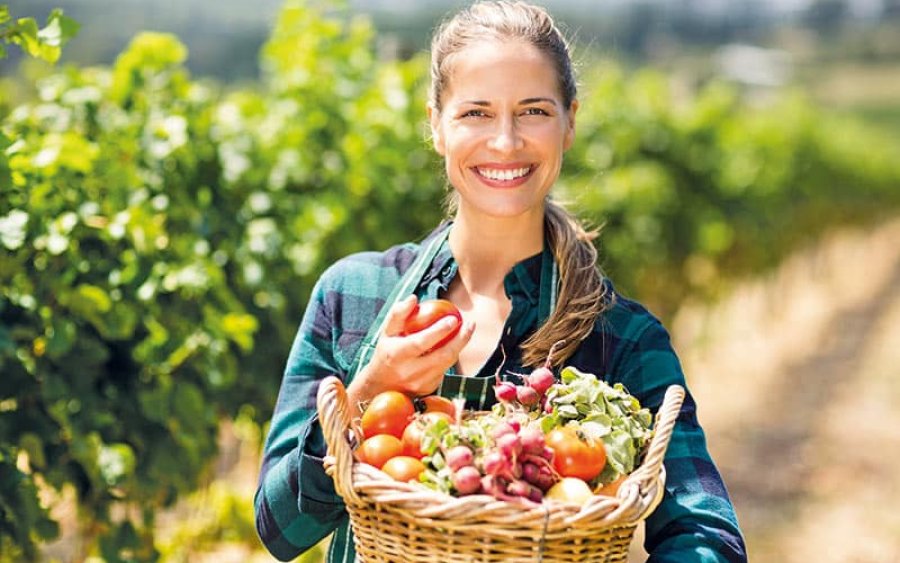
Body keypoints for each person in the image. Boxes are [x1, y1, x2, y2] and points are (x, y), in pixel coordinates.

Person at [254, 1, 747, 561]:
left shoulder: (623, 337)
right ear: (436, 126)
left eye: (534, 111)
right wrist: (367, 394)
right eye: (476, 113)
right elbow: (279, 529)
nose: (506, 142)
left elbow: (708, 536)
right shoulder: (352, 295)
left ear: (570, 124)